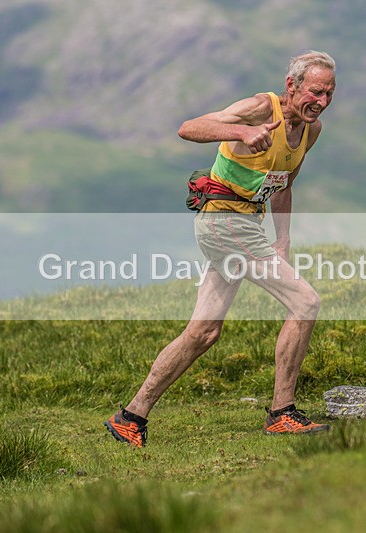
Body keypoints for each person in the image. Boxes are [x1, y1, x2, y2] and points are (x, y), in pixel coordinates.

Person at [105, 51, 336, 447]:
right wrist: (242, 132)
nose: (322, 101)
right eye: (315, 91)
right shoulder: (260, 107)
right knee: (306, 303)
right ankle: (282, 413)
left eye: (330, 93)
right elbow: (189, 127)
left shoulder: (311, 132)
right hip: (223, 224)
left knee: (204, 332)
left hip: (245, 225)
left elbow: (285, 183)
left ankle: (130, 416)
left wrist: (282, 239)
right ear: (292, 86)